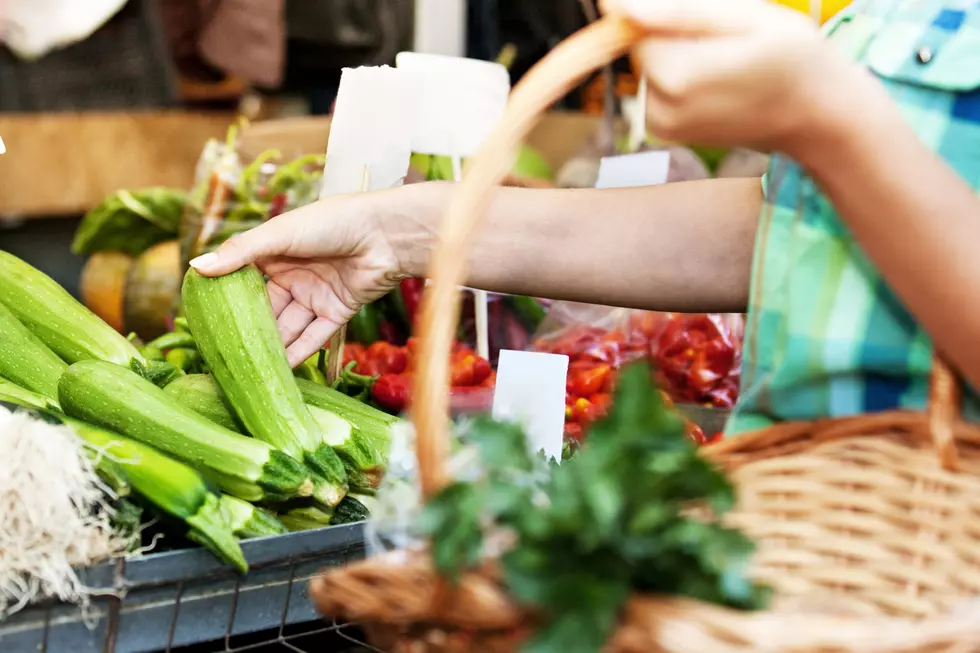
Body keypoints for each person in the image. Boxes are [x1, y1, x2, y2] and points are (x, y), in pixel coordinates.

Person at [190, 0, 980, 434]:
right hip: (810, 546)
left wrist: (829, 116)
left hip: (935, 566)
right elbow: (778, 229)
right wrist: (398, 232)